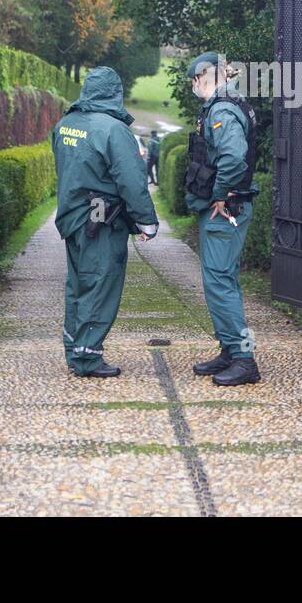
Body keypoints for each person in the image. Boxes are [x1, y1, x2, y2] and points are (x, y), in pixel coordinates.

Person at [52, 66, 158, 378]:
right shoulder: (113, 130)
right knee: (100, 284)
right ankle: (88, 357)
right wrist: (146, 221)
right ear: (114, 92)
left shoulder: (66, 123)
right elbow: (131, 180)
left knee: (78, 284)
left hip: (72, 217)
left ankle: (74, 350)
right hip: (101, 220)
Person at [184, 51, 261, 386]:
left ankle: (244, 360)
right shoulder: (230, 102)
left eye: (194, 79)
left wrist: (219, 193)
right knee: (221, 280)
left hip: (226, 208)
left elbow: (233, 156)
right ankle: (231, 350)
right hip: (228, 206)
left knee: (220, 282)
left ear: (206, 75)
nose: (193, 86)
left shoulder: (224, 107)